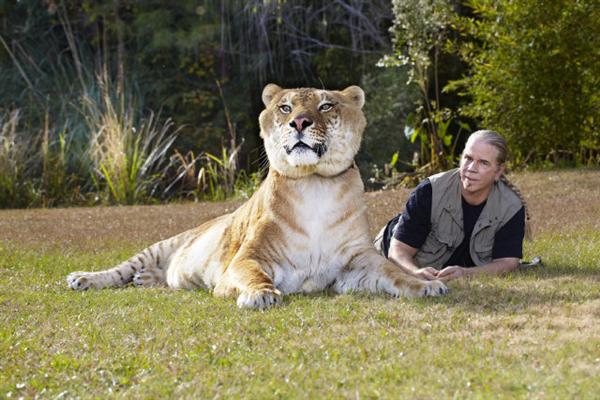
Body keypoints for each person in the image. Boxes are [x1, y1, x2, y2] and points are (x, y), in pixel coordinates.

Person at [373, 130, 529, 282]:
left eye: (483, 163)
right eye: (468, 158)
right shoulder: (430, 191)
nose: (471, 168)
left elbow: (508, 263)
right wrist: (415, 272)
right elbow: (398, 251)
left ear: (498, 171)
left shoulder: (511, 206)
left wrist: (466, 273)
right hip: (389, 247)